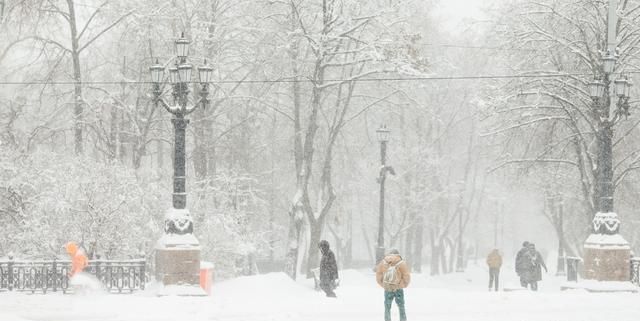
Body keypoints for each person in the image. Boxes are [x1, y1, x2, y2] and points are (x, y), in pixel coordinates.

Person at [376, 249, 410, 321]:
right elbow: (406, 276)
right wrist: (402, 285)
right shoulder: (401, 263)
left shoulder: (383, 262)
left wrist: (384, 284)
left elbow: (378, 274)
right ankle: (403, 319)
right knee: (401, 306)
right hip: (398, 288)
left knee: (387, 307)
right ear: (398, 254)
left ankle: (387, 319)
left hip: (388, 288)